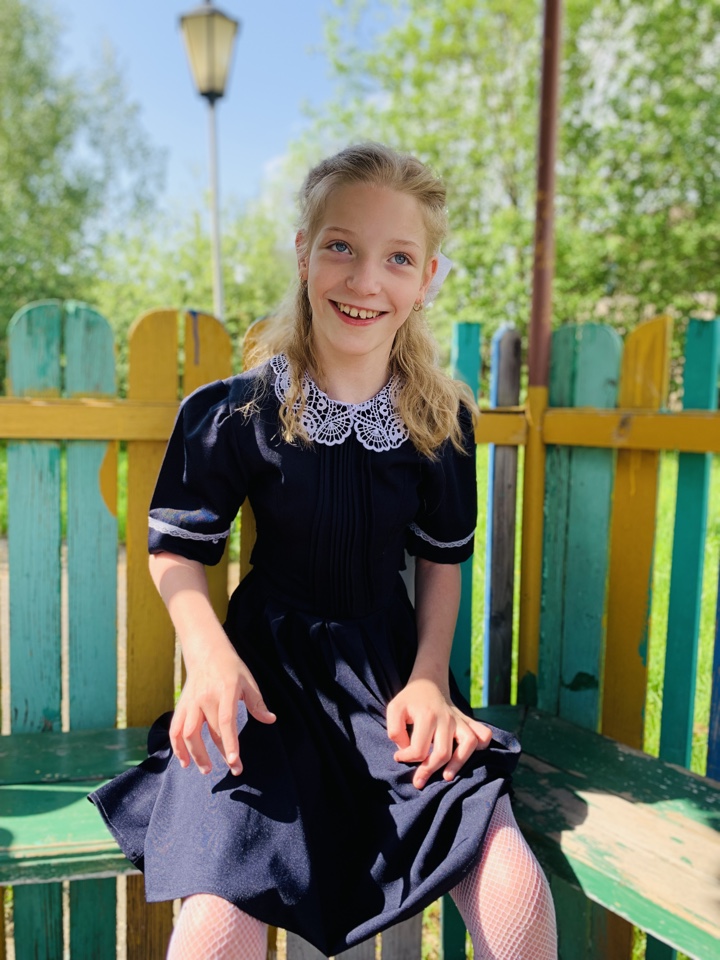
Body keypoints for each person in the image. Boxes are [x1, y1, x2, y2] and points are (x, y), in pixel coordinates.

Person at [90, 142, 557, 960]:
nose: (366, 279)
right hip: (261, 685)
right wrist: (209, 660)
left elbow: (441, 564)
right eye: (341, 246)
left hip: (391, 683)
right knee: (216, 921)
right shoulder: (234, 413)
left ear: (428, 279)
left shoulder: (441, 423)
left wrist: (430, 680)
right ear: (304, 254)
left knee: (509, 875)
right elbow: (176, 552)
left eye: (398, 258)